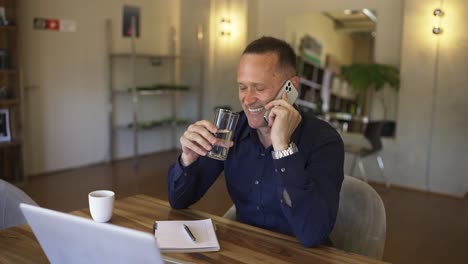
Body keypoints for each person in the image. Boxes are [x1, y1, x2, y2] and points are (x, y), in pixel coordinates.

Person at [167, 36, 344, 247]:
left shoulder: (325, 141)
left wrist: (282, 147)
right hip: (245, 251)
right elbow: (179, 200)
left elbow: (313, 234)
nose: (248, 100)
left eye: (259, 88)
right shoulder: (232, 129)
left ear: (291, 88)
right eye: (242, 87)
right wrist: (188, 159)